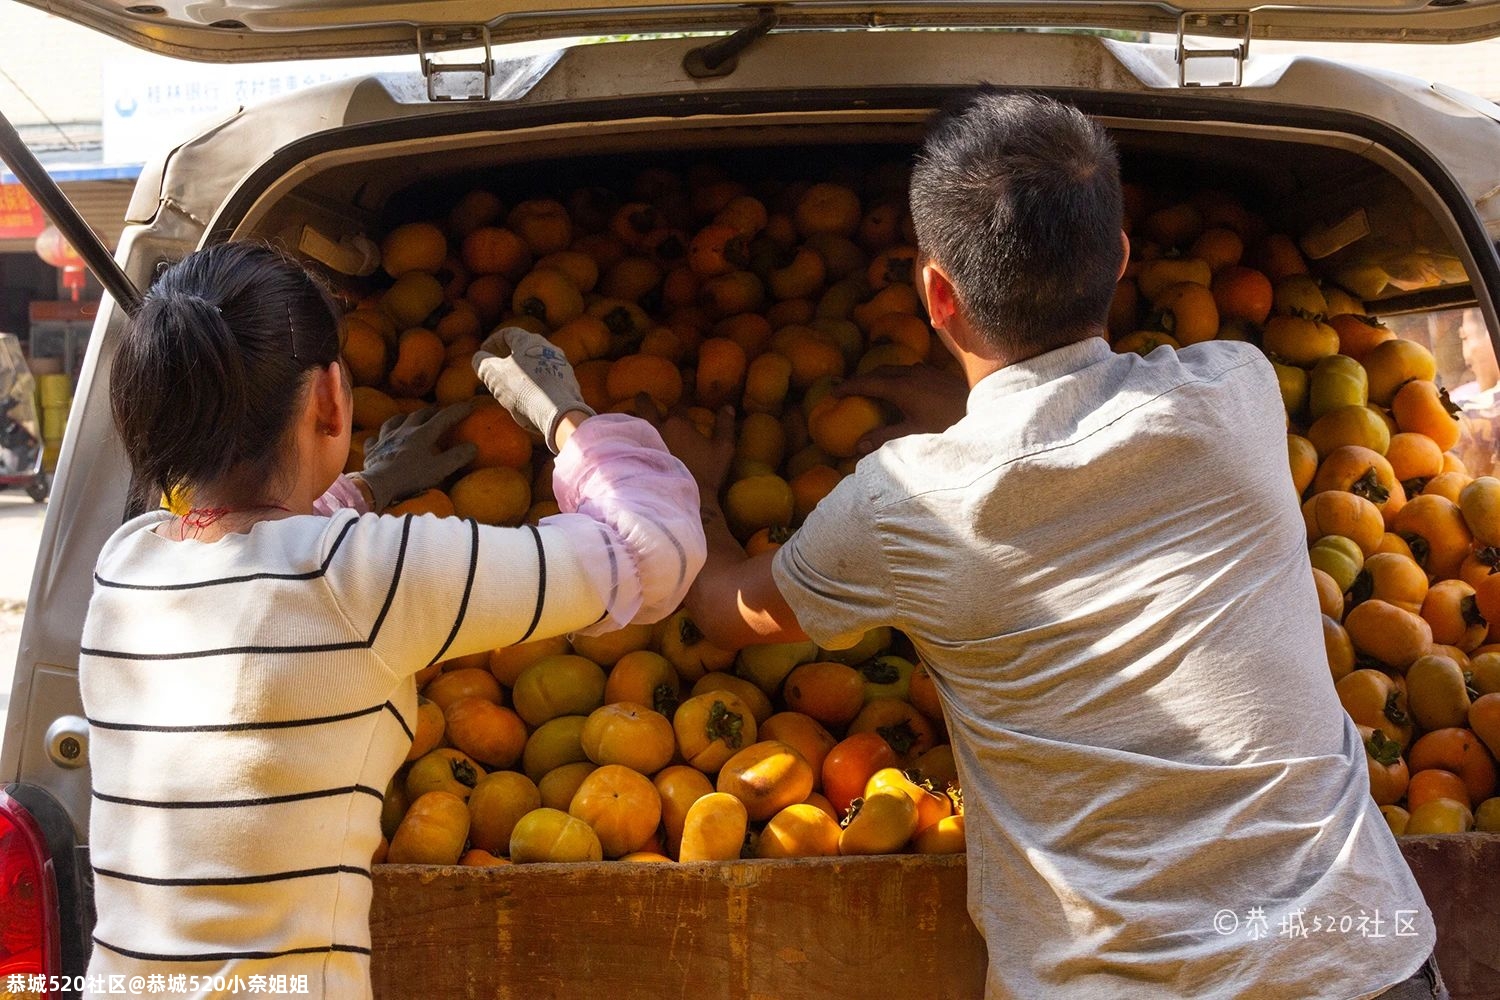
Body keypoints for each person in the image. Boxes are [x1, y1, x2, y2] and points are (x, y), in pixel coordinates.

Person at [665, 91, 1444, 999]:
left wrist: (693, 486)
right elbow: (1076, 459)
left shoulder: (901, 503)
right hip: (1360, 961)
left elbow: (727, 612)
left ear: (937, 295)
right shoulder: (1239, 390)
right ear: (1118, 259)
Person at [79, 242, 705, 999]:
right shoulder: (365, 578)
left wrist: (368, 485)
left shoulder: (128, 565)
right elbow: (652, 555)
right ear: (330, 398)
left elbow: (258, 550)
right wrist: (566, 420)